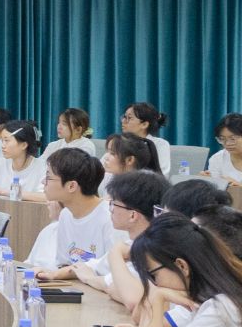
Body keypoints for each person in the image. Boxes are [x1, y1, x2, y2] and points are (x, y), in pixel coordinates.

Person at [78, 169, 168, 313]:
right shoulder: (132, 242)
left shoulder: (155, 248)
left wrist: (91, 279)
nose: (111, 209)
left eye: (114, 204)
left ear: (133, 215)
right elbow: (93, 266)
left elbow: (128, 295)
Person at [25, 147, 117, 276]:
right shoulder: (66, 215)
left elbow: (113, 271)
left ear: (71, 186)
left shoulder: (112, 218)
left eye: (48, 177)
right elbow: (64, 264)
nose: (43, 182)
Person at [0, 119, 48, 199]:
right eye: (2, 141)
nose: (2, 145)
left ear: (24, 145)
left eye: (7, 140)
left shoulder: (42, 167)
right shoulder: (1, 163)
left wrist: (3, 192)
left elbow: (47, 197)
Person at [121, 101, 174, 176]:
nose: (123, 121)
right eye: (124, 117)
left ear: (144, 124)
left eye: (129, 118)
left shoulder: (160, 144)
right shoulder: (119, 142)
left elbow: (162, 173)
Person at [99, 130, 157, 197]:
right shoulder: (108, 176)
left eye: (112, 153)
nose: (106, 157)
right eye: (107, 151)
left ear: (130, 160)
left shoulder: (144, 186)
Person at [211, 113, 242, 198]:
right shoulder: (217, 158)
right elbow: (215, 192)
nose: (227, 144)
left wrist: (239, 188)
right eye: (222, 139)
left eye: (233, 139)